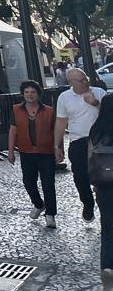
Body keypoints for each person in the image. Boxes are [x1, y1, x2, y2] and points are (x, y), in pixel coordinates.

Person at [55, 67, 108, 222]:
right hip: (78, 141)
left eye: (86, 79)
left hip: (99, 141)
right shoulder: (64, 97)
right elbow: (60, 122)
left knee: (103, 176)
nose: (85, 82)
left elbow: (109, 114)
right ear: (71, 82)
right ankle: (88, 203)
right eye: (80, 80)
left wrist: (95, 103)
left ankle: (104, 206)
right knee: (80, 176)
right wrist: (56, 146)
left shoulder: (99, 93)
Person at [7, 80, 57, 228]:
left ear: (38, 94)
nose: (30, 95)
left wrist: (58, 148)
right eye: (27, 92)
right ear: (23, 94)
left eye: (33, 92)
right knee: (28, 182)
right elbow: (12, 131)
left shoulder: (49, 111)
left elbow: (55, 131)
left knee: (48, 184)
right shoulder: (16, 110)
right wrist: (10, 151)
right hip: (26, 152)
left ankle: (50, 215)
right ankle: (38, 204)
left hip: (46, 152)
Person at [88, 93, 113, 291]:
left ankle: (107, 268)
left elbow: (90, 159)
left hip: (104, 186)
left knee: (108, 229)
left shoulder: (96, 130)